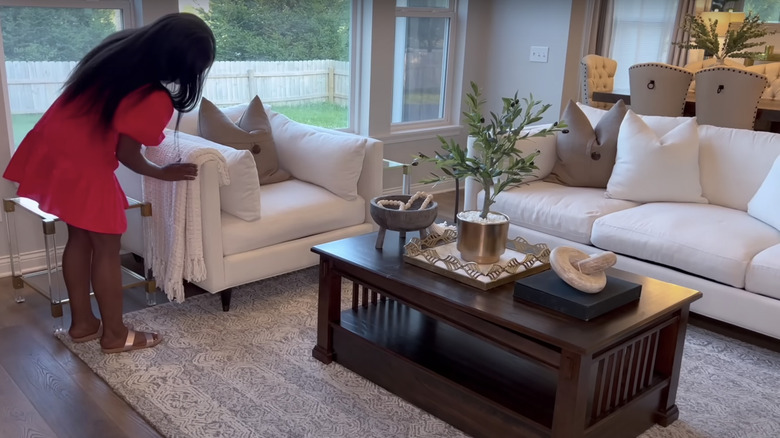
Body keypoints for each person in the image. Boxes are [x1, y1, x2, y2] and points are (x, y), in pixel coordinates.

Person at [3, 13, 216, 353]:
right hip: (83, 162)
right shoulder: (152, 95)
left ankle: (84, 324)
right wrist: (162, 173)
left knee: (79, 237)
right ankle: (115, 335)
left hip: (51, 145)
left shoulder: (117, 50)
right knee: (106, 245)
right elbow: (128, 153)